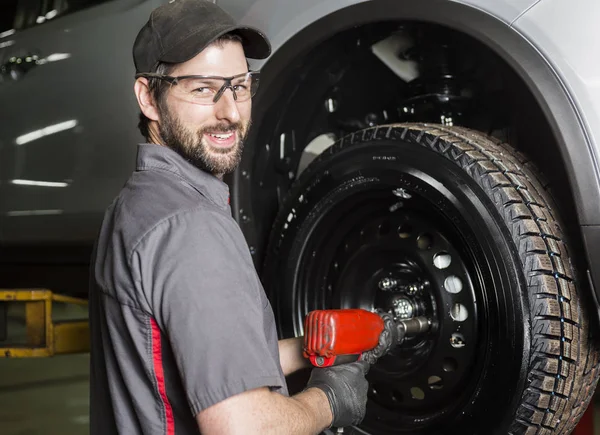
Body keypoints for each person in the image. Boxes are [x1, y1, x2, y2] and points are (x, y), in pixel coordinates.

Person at [88, 0, 370, 433]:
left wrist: (309, 349)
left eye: (239, 86)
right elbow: (242, 427)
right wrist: (329, 399)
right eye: (203, 89)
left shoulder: (136, 206)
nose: (231, 113)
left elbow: (192, 357)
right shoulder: (191, 228)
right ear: (149, 97)